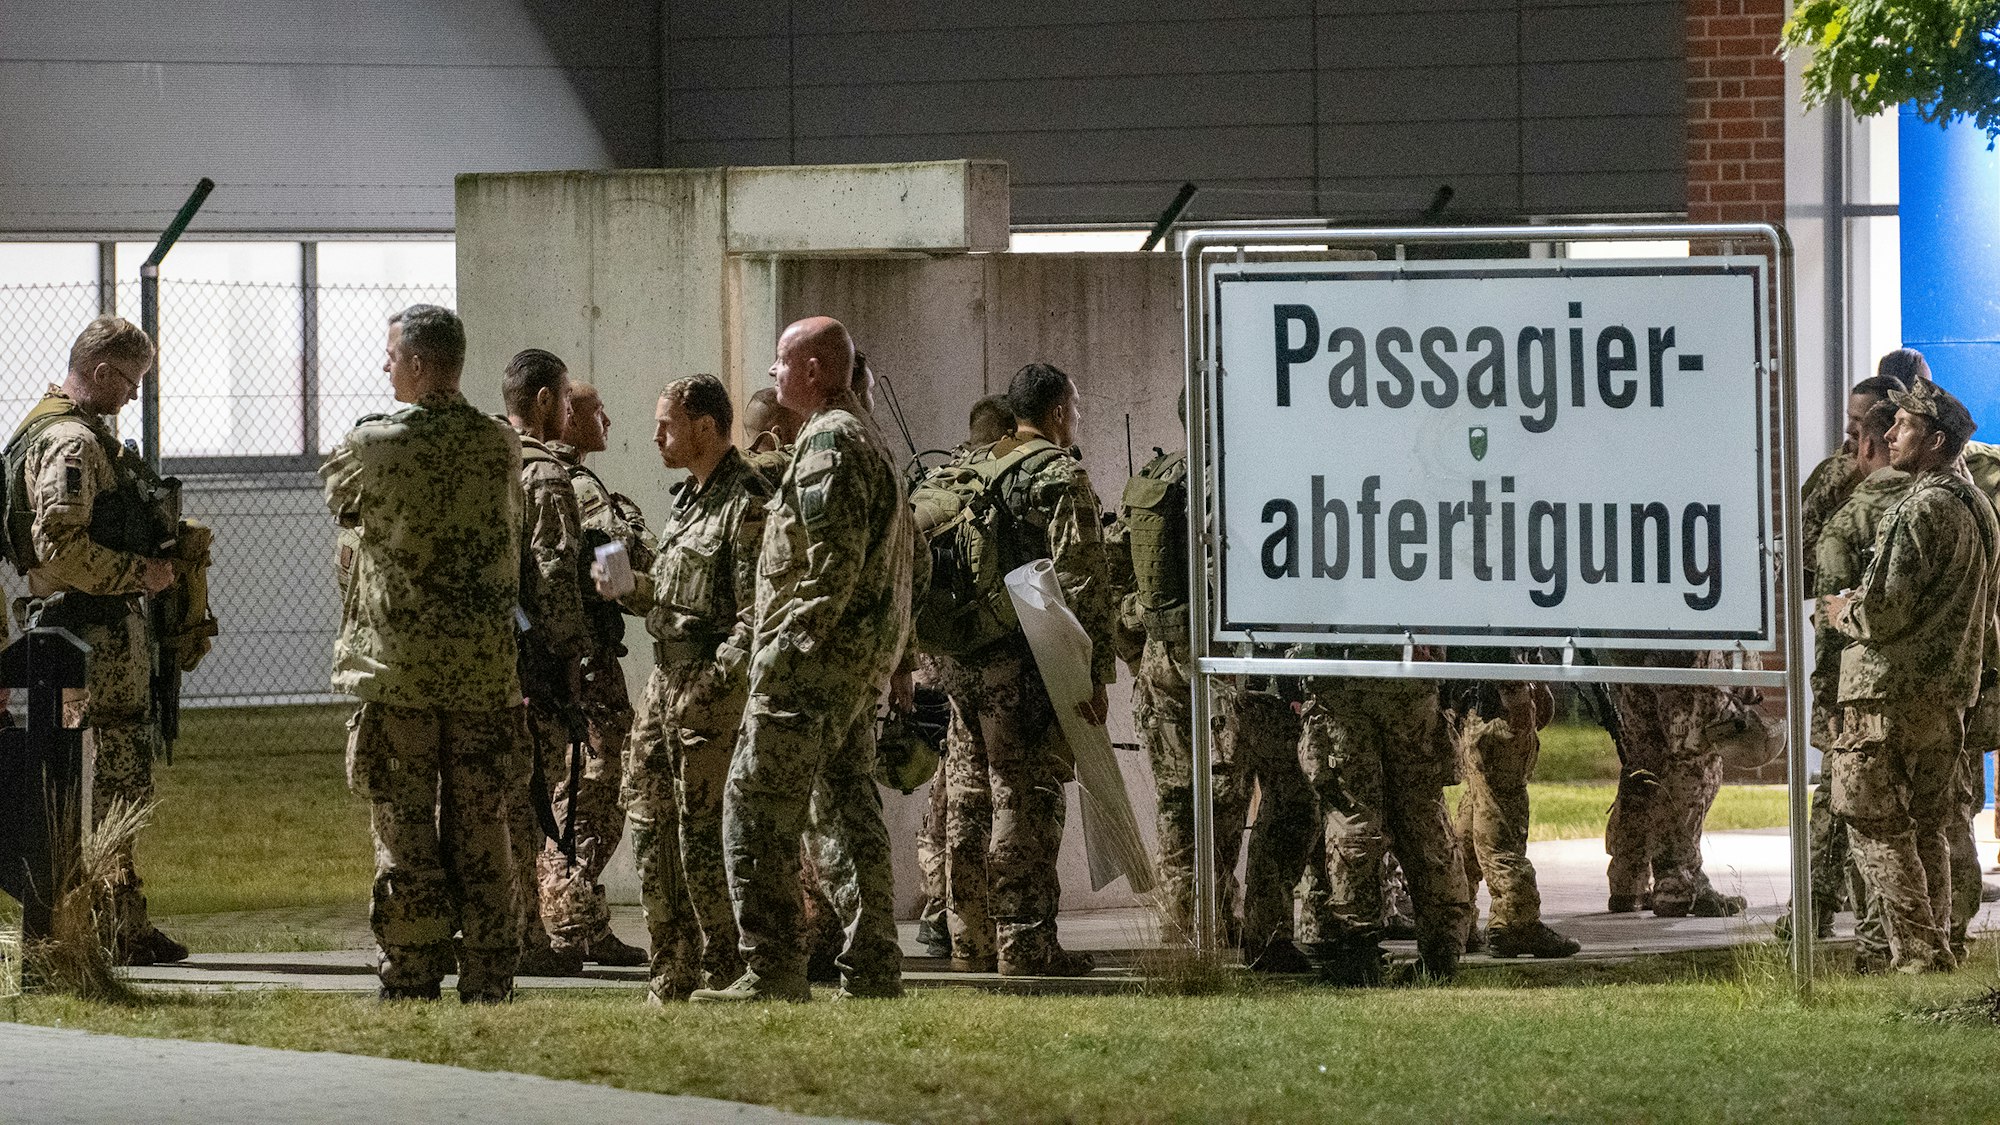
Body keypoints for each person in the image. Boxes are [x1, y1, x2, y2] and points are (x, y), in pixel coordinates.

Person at [694, 316, 914, 1003]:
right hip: (849, 669)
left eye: (781, 362)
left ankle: (772, 967)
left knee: (753, 806)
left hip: (808, 669)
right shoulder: (865, 438)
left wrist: (777, 656)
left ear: (814, 370)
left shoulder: (830, 443)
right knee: (847, 809)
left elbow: (826, 571)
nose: (772, 373)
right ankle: (872, 965)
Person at [320, 304, 524, 1002]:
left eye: (390, 356)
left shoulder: (374, 443)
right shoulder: (501, 443)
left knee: (405, 826)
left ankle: (410, 969)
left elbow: (341, 501)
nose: (384, 367)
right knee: (483, 825)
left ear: (414, 362)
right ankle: (489, 971)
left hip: (399, 669)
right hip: (483, 673)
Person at [929, 362, 1117, 978]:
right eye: (1075, 408)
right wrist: (1093, 675)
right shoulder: (1058, 475)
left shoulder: (973, 464)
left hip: (960, 659)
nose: (1077, 418)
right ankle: (1025, 943)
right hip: (1021, 665)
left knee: (967, 794)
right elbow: (1082, 583)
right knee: (1024, 795)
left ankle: (969, 936)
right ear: (1058, 411)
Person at [6, 316, 182, 965]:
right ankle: (108, 925)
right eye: (130, 382)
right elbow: (61, 547)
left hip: (87, 638)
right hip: (90, 640)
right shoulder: (72, 443)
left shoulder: (61, 430)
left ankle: (116, 919)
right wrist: (141, 573)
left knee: (105, 776)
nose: (133, 395)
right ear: (102, 372)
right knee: (106, 778)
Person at [604, 374, 771, 1002]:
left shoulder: (746, 501)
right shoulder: (688, 501)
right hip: (665, 681)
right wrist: (627, 586)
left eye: (666, 425)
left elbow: (756, 615)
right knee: (651, 823)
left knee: (704, 835)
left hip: (707, 691)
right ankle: (671, 970)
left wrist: (715, 684)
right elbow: (675, 598)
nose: (655, 437)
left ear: (704, 427)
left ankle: (723, 969)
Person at [1822, 379, 1998, 973]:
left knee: (1874, 823)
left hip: (1889, 696)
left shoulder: (1921, 507)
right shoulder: (1978, 506)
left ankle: (1920, 955)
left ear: (1936, 441)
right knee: (1927, 826)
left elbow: (1885, 611)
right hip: (1945, 696)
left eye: (1904, 426)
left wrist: (1841, 610)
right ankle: (1940, 945)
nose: (1889, 434)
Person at [537, 381, 649, 967]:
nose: (608, 419)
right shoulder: (579, 487)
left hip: (543, 664)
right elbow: (621, 569)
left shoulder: (522, 473)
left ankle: (572, 915)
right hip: (587, 666)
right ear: (567, 415)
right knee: (594, 788)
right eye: (596, 410)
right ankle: (571, 918)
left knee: (563, 786)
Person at [1793, 396, 1904, 962]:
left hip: (1859, 680)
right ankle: (1831, 908)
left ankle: (1866, 931)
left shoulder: (1865, 510)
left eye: (1859, 428)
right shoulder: (1942, 497)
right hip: (1897, 680)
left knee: (1855, 799)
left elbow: (1826, 595)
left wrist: (1829, 686)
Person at [1293, 649, 1471, 985]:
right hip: (1410, 679)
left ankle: (1358, 951)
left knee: (1354, 814)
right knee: (1424, 817)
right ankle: (1441, 951)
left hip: (1345, 681)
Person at [501, 348, 592, 977]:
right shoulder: (545, 475)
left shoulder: (484, 460)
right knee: (531, 798)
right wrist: (570, 656)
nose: (568, 410)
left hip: (485, 655)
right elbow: (555, 575)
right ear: (542, 401)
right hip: (534, 663)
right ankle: (526, 937)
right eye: (564, 398)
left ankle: (509, 930)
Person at [1445, 670, 1579, 958]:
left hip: (1476, 712)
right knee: (1503, 821)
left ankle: (1457, 920)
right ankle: (1515, 922)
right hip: (1499, 714)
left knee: (1478, 810)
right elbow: (1506, 654)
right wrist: (1520, 693)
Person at [1802, 360, 1920, 594]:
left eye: (1859, 420)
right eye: (1850, 417)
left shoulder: (1927, 470)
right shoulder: (1834, 472)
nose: (1848, 428)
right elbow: (1802, 541)